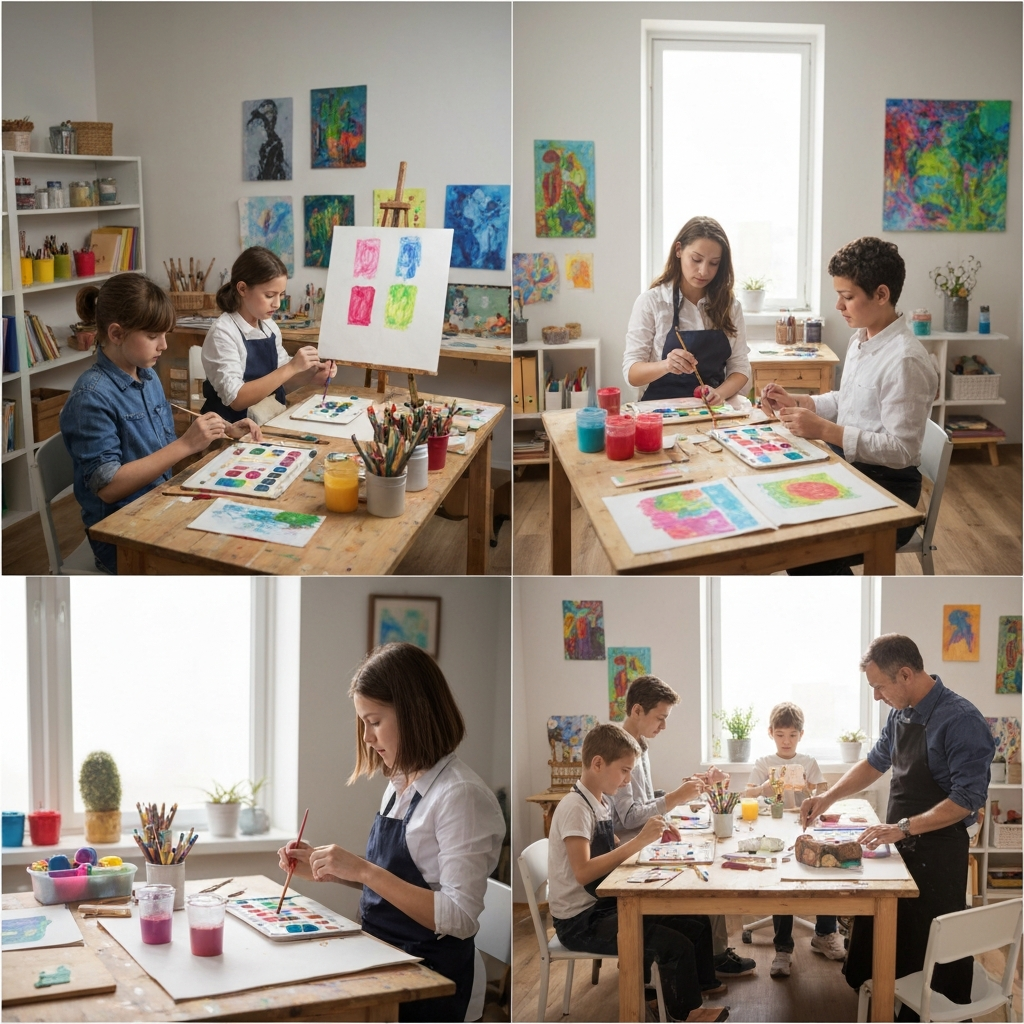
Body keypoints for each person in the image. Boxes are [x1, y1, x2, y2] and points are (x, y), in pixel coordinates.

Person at [277, 643, 504, 1023]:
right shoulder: (400, 783)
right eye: (363, 723)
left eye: (374, 721)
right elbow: (396, 881)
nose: (367, 738)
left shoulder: (461, 796)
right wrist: (332, 869)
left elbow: (459, 917)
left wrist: (363, 870)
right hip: (383, 956)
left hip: (431, 979)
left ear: (415, 713)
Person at [800, 634, 994, 1022]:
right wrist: (828, 797)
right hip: (901, 845)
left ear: (905, 675)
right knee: (887, 933)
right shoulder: (900, 712)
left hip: (938, 852)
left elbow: (966, 800)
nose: (876, 696)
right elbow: (875, 762)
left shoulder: (961, 720)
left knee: (931, 948)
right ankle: (887, 1003)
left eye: (879, 687)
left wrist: (904, 827)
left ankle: (932, 1012)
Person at [59, 275, 261, 573]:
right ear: (116, 333)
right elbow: (109, 488)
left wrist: (221, 431)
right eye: (154, 336)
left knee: (243, 535)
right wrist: (186, 444)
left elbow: (159, 447)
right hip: (120, 537)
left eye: (165, 334)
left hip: (157, 506)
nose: (164, 345)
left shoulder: (147, 375)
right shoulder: (91, 397)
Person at [761, 237, 938, 574]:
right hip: (852, 469)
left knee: (804, 549)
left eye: (847, 297)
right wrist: (800, 401)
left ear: (881, 295)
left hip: (889, 489)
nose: (839, 306)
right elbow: (849, 400)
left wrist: (825, 430)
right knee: (779, 511)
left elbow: (902, 450)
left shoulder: (905, 361)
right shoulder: (862, 338)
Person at [548, 722, 728, 1023]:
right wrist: (640, 841)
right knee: (675, 945)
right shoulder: (575, 808)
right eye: (624, 770)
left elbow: (612, 846)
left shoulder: (599, 802)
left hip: (602, 905)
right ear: (597, 763)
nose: (627, 780)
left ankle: (694, 990)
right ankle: (685, 1013)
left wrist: (653, 838)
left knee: (695, 921)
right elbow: (583, 872)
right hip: (580, 921)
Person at [611, 676, 757, 983]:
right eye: (660, 717)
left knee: (710, 860)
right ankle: (711, 959)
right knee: (706, 874)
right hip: (633, 854)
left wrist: (682, 791)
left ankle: (711, 957)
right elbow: (627, 817)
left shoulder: (639, 746)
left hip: (647, 843)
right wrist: (675, 797)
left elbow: (643, 801)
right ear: (637, 710)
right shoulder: (620, 751)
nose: (664, 726)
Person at [743, 702, 844, 977]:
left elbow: (824, 792)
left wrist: (810, 787)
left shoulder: (808, 762)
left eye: (792, 735)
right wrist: (765, 787)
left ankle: (825, 933)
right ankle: (783, 948)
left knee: (824, 870)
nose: (786, 741)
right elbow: (746, 795)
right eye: (780, 735)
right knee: (781, 883)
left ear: (801, 734)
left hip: (805, 827)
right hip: (774, 828)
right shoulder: (764, 763)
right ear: (770, 733)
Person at [622, 216, 750, 406]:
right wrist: (666, 365)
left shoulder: (730, 307)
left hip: (712, 410)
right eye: (696, 259)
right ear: (679, 250)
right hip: (662, 411)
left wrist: (719, 394)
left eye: (714, 263)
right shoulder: (652, 302)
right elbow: (632, 373)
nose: (703, 271)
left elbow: (740, 367)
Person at [201, 246, 335, 424]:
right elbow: (236, 400)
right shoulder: (223, 332)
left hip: (267, 422)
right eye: (269, 295)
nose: (277, 304)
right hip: (231, 428)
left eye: (281, 295)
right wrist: (292, 367)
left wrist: (312, 374)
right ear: (242, 288)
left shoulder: (269, 326)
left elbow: (282, 383)